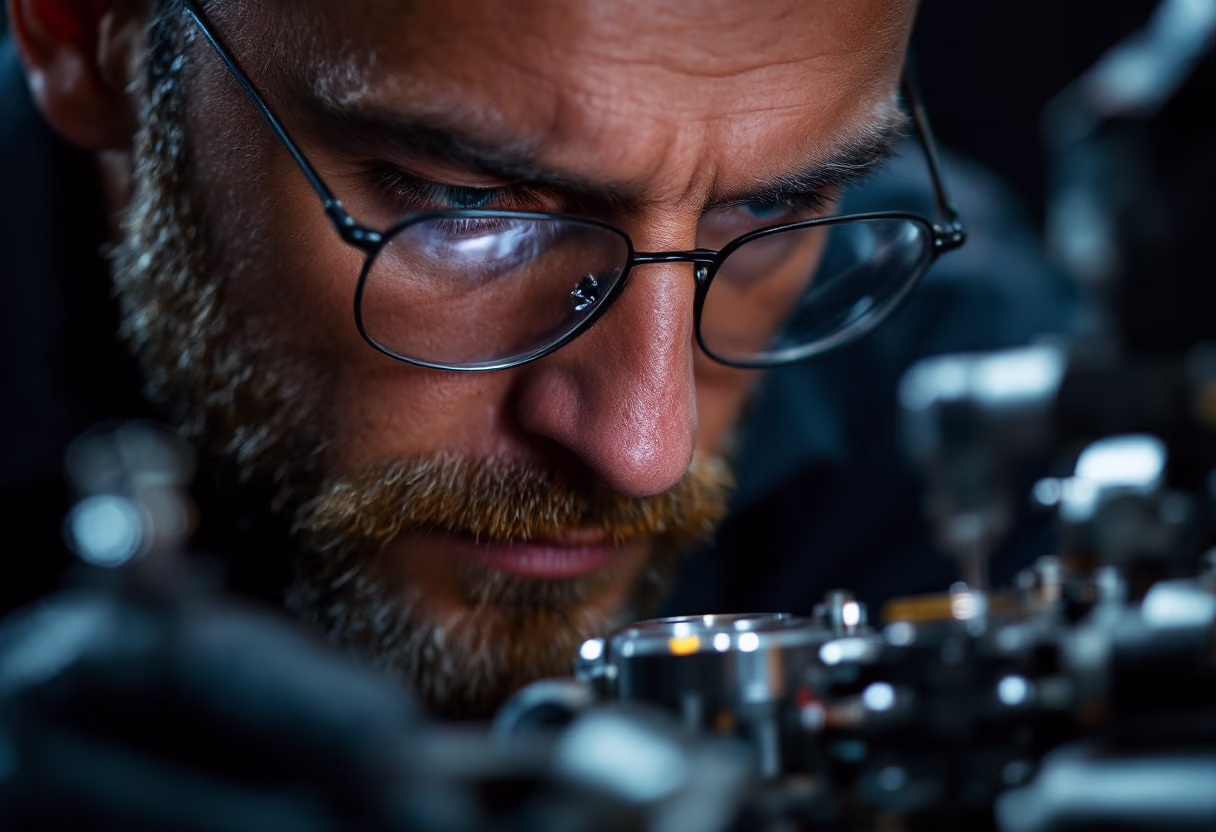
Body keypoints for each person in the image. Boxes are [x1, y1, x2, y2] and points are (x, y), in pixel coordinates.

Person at [0, 0, 1071, 730]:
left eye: (773, 208)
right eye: (470, 206)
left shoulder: (963, 399)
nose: (644, 448)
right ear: (86, 36)